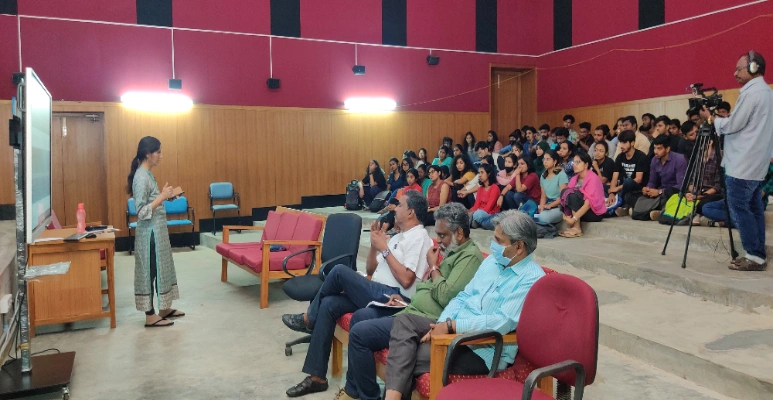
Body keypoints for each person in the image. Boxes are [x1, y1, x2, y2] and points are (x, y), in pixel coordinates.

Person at [379, 210, 546, 400]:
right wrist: (441, 325)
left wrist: (451, 327)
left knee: (406, 358)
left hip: (482, 347)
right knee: (404, 321)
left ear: (519, 247)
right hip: (454, 331)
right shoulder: (492, 262)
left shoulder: (532, 279)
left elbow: (502, 322)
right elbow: (463, 296)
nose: (493, 246)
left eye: (499, 241)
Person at [283, 192, 433, 397]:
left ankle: (310, 318)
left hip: (396, 298)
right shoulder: (399, 236)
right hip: (377, 290)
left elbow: (407, 280)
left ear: (411, 212)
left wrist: (385, 250)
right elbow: (371, 269)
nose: (395, 208)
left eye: (400, 205)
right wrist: (374, 247)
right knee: (329, 303)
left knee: (338, 272)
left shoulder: (419, 238)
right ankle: (317, 377)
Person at [339, 204, 485, 400]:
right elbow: (431, 288)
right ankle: (363, 393)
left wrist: (433, 266)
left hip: (429, 320)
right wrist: (406, 301)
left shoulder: (469, 257)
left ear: (459, 233)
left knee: (360, 334)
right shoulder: (452, 251)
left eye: (442, 235)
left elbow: (444, 296)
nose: (439, 241)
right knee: (360, 321)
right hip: (412, 311)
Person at [699, 50, 773, 271]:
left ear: (753, 68)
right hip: (756, 163)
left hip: (742, 164)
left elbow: (733, 126)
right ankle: (757, 253)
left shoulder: (752, 94)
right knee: (753, 209)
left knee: (740, 210)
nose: (735, 73)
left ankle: (754, 255)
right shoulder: (766, 92)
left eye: (739, 68)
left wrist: (711, 119)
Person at [127, 136, 183, 328]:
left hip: (158, 232)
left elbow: (153, 202)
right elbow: (141, 212)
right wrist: (161, 197)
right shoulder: (141, 177)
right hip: (149, 234)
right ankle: (150, 315)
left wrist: (167, 197)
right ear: (148, 154)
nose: (161, 156)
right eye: (158, 152)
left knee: (163, 270)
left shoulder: (148, 174)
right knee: (150, 271)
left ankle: (164, 308)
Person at [637, 134, 687, 221]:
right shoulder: (654, 160)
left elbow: (681, 185)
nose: (656, 151)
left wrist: (660, 192)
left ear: (667, 149)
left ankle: (651, 211)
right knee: (632, 194)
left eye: (659, 148)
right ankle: (653, 210)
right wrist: (648, 189)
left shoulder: (680, 159)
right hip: (660, 192)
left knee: (668, 193)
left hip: (674, 193)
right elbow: (652, 181)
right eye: (655, 148)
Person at [559, 150, 606, 237]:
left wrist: (573, 219)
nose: (574, 164)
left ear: (586, 165)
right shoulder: (574, 178)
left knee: (573, 193)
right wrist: (565, 216)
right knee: (564, 191)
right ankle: (573, 225)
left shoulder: (593, 178)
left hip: (594, 212)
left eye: (578, 162)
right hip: (581, 212)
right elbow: (566, 197)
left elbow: (588, 204)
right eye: (574, 162)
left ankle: (577, 228)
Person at [607, 130, 650, 216]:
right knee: (604, 186)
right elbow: (614, 178)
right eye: (620, 143)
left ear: (632, 143)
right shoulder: (620, 157)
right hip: (623, 188)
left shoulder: (641, 156)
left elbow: (638, 179)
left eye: (624, 143)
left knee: (628, 181)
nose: (621, 146)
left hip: (637, 188)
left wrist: (617, 189)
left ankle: (617, 204)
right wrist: (611, 193)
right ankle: (618, 203)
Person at [685, 139, 723, 225]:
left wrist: (700, 196)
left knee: (705, 201)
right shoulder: (698, 157)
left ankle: (698, 214)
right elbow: (691, 181)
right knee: (678, 195)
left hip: (711, 193)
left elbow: (718, 186)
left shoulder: (718, 157)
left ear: (710, 142)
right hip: (697, 191)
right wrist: (691, 192)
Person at [538, 150, 569, 224]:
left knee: (543, 217)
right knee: (534, 215)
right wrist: (542, 208)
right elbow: (543, 196)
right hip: (547, 205)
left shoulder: (561, 175)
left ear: (555, 161)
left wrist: (550, 205)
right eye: (544, 159)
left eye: (548, 159)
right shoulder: (543, 176)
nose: (545, 162)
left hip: (559, 207)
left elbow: (563, 197)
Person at [469, 164, 501, 230]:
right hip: (480, 212)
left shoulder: (494, 188)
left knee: (478, 214)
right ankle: (475, 221)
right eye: (479, 173)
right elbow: (476, 205)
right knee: (466, 213)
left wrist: (473, 213)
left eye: (482, 172)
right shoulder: (481, 188)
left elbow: (488, 208)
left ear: (488, 174)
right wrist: (469, 211)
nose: (479, 175)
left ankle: (474, 221)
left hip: (491, 214)